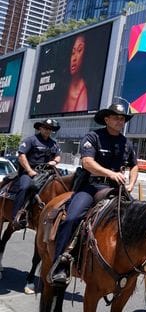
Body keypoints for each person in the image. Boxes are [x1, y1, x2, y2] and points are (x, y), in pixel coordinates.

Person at [50, 103, 138, 286]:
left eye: (122, 118)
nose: (120, 121)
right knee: (72, 218)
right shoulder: (94, 137)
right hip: (92, 187)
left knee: (139, 219)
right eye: (116, 117)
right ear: (106, 119)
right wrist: (110, 173)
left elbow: (134, 165)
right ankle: (60, 263)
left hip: (117, 189)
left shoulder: (126, 143)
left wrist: (131, 183)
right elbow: (87, 162)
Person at [11, 119, 61, 229]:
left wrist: (54, 161)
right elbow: (21, 156)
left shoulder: (53, 143)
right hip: (29, 172)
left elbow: (58, 156)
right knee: (25, 187)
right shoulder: (31, 140)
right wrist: (30, 171)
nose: (48, 131)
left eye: (50, 129)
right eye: (46, 128)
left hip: (46, 172)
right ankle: (16, 217)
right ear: (40, 128)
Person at [61, 34, 88, 112]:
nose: (74, 59)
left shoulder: (82, 94)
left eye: (79, 51)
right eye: (73, 53)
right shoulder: (64, 87)